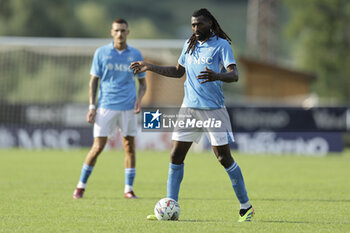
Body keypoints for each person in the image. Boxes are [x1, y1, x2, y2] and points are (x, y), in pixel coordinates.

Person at [130, 8, 254, 222]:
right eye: (193, 25)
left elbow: (234, 75)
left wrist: (217, 75)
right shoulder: (189, 45)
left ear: (210, 24)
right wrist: (149, 67)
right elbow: (179, 72)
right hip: (188, 109)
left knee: (224, 158)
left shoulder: (221, 45)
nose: (196, 28)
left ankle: (246, 207)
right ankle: (170, 207)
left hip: (213, 109)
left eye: (200, 24)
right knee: (175, 156)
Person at [73, 18, 147, 200]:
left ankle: (128, 189)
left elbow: (143, 83)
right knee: (98, 147)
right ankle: (80, 187)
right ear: (111, 32)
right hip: (106, 106)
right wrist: (92, 106)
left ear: (128, 32)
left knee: (129, 147)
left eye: (123, 30)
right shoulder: (101, 53)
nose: (120, 33)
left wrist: (139, 100)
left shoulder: (135, 54)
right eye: (117, 30)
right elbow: (93, 81)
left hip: (129, 107)